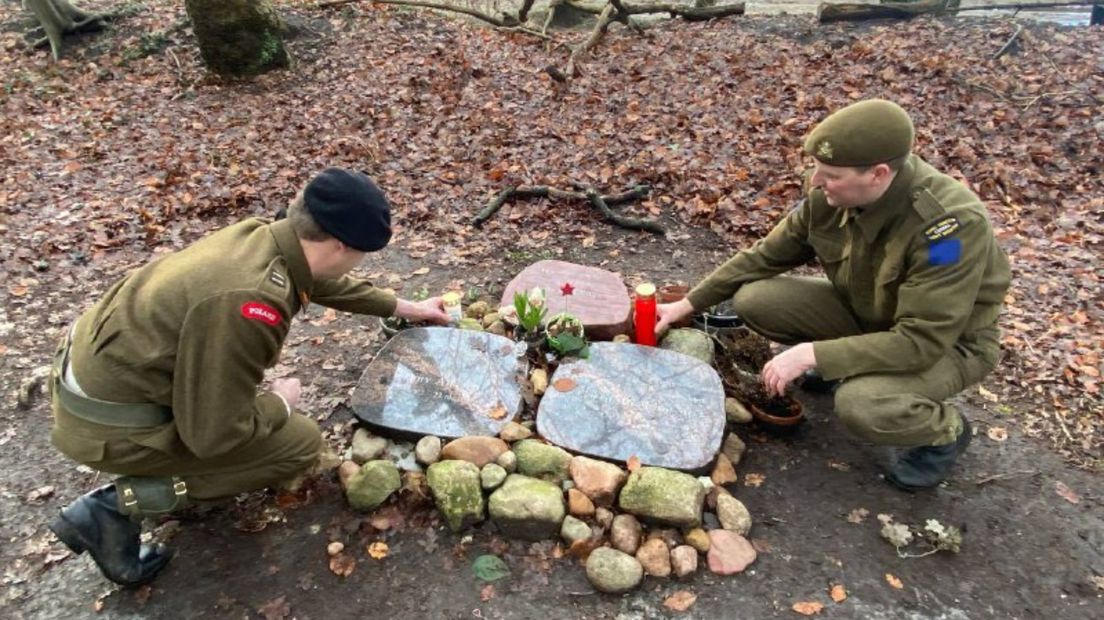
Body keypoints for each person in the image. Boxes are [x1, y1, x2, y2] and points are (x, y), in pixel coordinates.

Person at [47, 168, 450, 585]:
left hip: (100, 379)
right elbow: (213, 435)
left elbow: (320, 280)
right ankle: (115, 508)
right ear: (340, 245)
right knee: (297, 444)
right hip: (107, 424)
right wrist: (279, 402)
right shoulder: (250, 301)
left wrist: (406, 307)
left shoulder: (264, 237)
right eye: (362, 253)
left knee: (257, 422)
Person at [656, 99, 1010, 492]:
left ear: (877, 174)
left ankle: (944, 434)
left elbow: (921, 340)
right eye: (816, 171)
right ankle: (847, 364)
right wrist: (688, 304)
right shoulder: (830, 197)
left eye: (831, 175)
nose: (816, 183)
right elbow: (763, 257)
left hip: (950, 345)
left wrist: (814, 354)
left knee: (861, 405)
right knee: (755, 299)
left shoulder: (948, 228)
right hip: (868, 314)